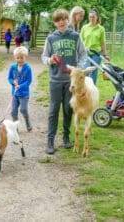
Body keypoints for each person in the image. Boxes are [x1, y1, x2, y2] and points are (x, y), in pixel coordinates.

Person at [41, 9, 88, 154]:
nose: (61, 22)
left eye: (63, 19)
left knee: (68, 109)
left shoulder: (75, 36)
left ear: (68, 20)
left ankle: (66, 138)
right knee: (53, 110)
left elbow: (83, 54)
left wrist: (79, 68)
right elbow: (44, 57)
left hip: (71, 82)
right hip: (55, 80)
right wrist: (50, 60)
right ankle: (50, 141)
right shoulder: (51, 38)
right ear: (55, 23)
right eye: (58, 20)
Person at [80, 8, 109, 84]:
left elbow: (103, 42)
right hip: (86, 53)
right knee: (86, 71)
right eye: (90, 17)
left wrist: (105, 54)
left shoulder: (101, 29)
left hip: (96, 54)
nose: (92, 18)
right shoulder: (84, 27)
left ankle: (92, 89)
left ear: (97, 17)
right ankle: (86, 89)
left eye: (93, 17)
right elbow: (80, 41)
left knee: (94, 71)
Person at [8, 46, 33, 132]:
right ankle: (16, 126)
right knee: (13, 111)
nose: (19, 60)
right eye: (17, 58)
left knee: (23, 109)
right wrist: (13, 82)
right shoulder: (13, 67)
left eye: (21, 58)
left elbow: (28, 81)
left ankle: (27, 121)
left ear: (25, 57)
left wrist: (20, 86)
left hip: (24, 94)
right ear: (15, 58)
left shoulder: (28, 68)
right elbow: (10, 78)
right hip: (15, 94)